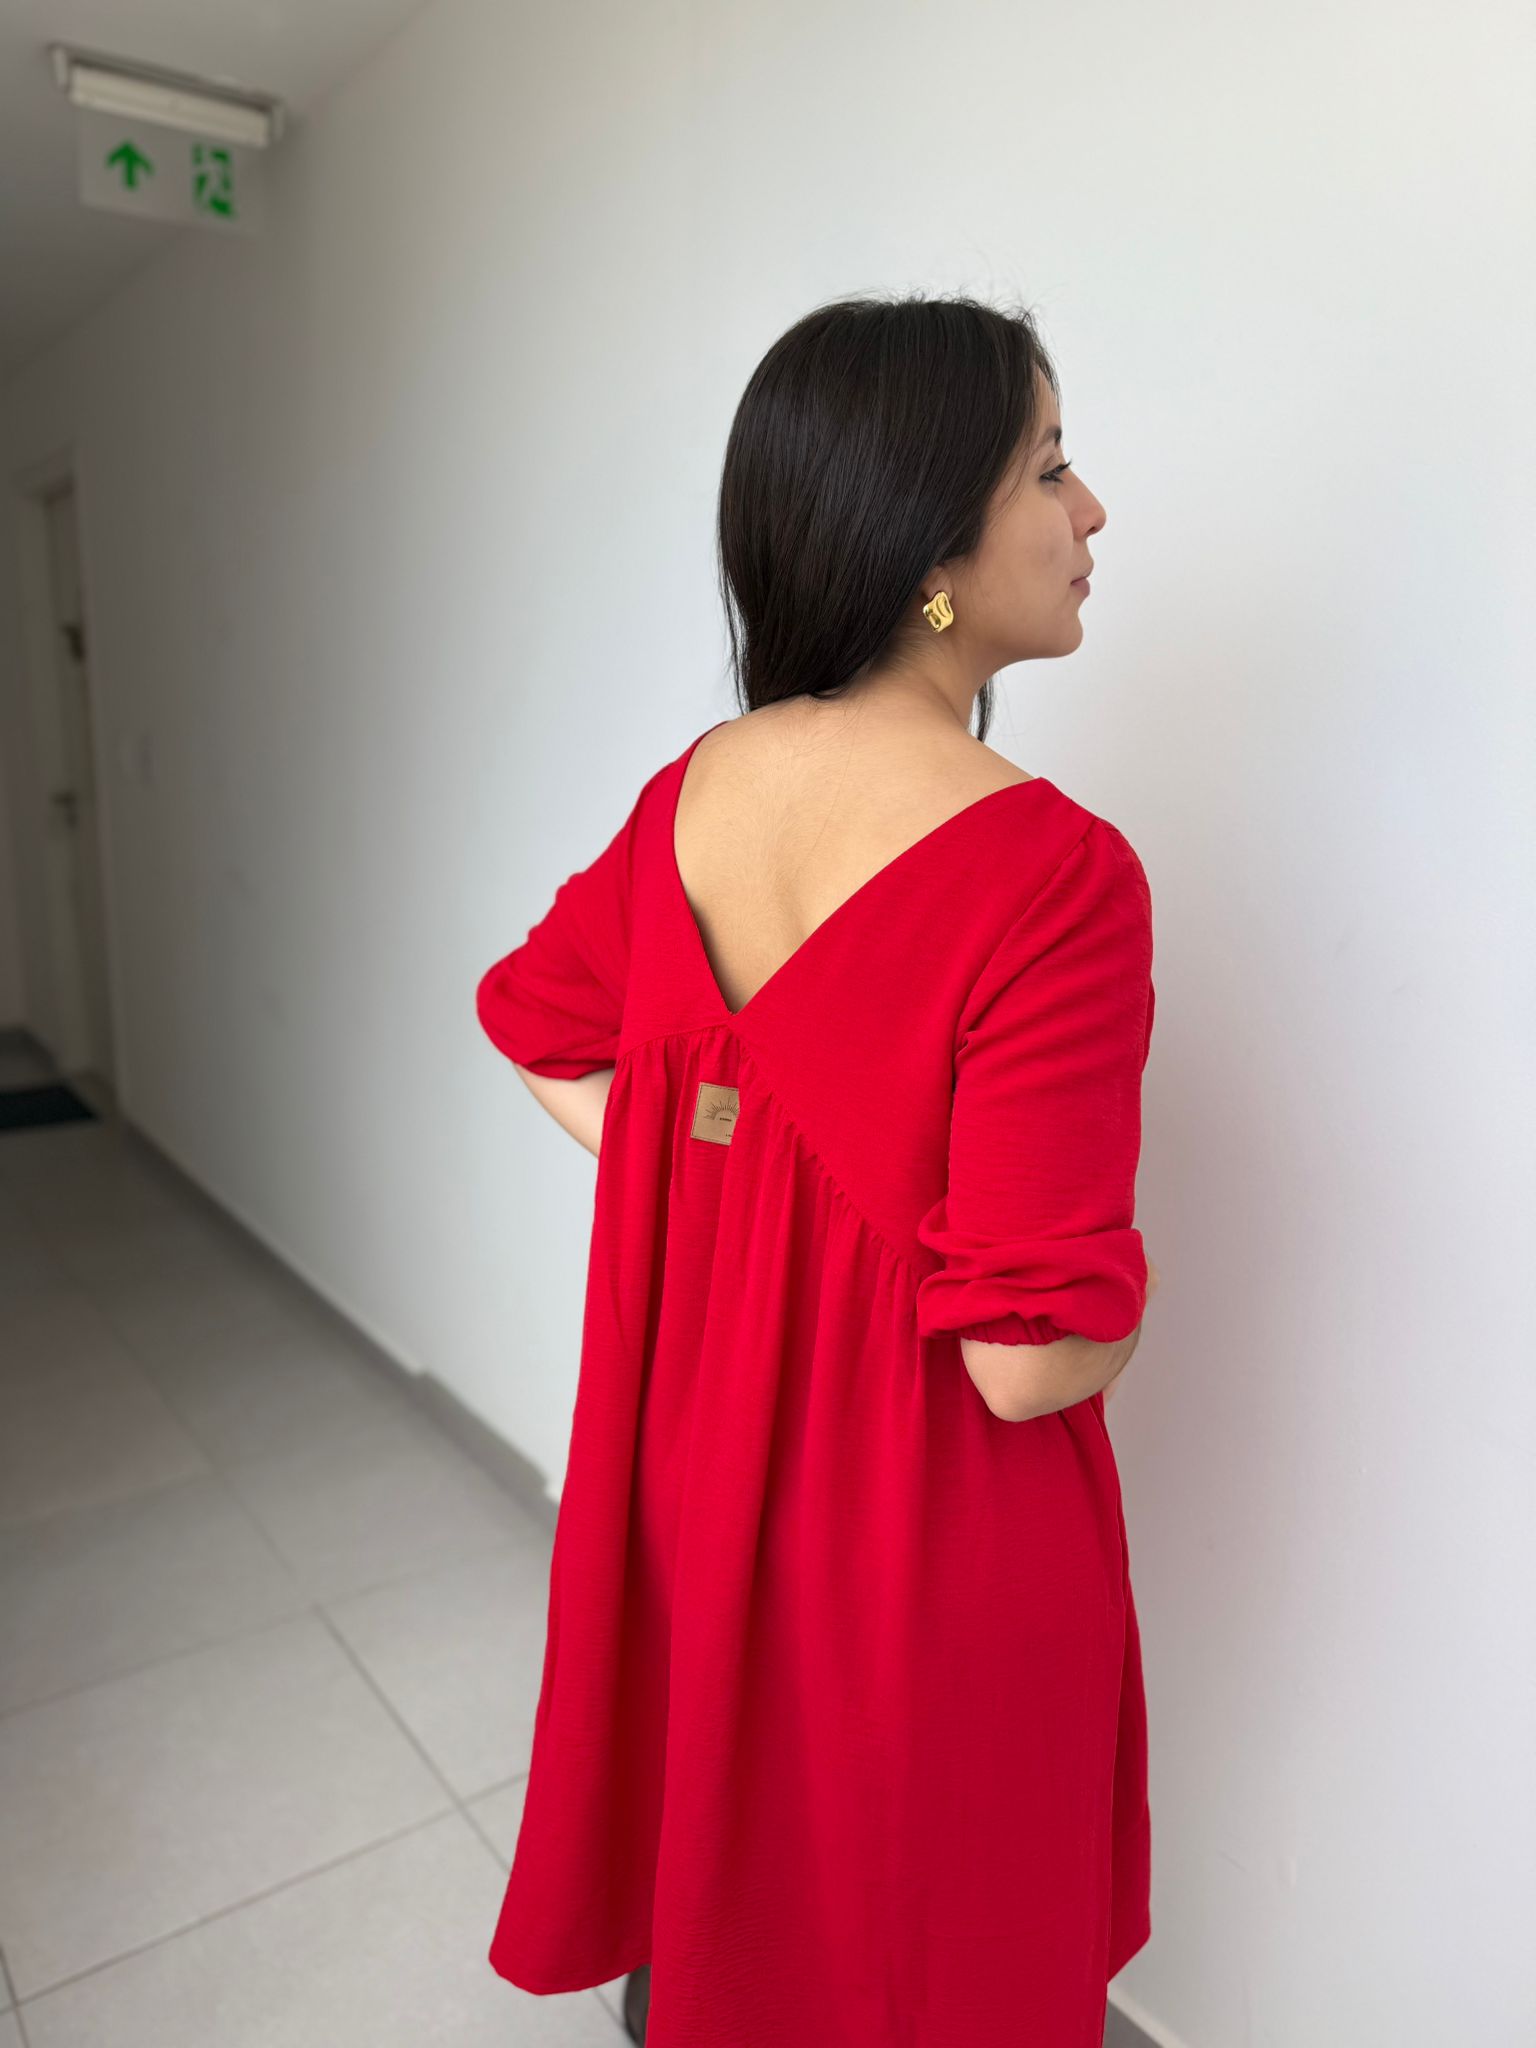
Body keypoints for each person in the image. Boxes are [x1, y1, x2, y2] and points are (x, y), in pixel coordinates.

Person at [477, 292, 1159, 2047]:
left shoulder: (689, 796)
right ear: (930, 538)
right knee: (934, 1966)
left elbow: (532, 1021)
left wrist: (718, 1184)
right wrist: (1122, 1294)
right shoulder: (1055, 875)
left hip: (702, 1509)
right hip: (927, 1559)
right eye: (1051, 467)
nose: (1092, 511)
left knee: (737, 1930)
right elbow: (1025, 1363)